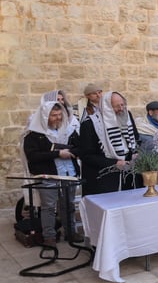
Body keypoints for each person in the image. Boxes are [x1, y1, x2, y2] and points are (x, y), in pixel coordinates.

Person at [22, 100, 80, 246]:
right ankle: (49, 237)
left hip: (68, 173)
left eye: (60, 114)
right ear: (45, 116)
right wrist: (57, 154)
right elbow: (33, 156)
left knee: (68, 205)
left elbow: (79, 147)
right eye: (54, 115)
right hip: (48, 175)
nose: (58, 118)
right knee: (48, 207)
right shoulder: (34, 135)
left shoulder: (68, 130)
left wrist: (72, 152)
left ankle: (71, 232)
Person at [76, 91, 141, 195]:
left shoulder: (127, 116)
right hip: (103, 179)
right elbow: (86, 155)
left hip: (128, 175)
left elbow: (136, 139)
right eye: (116, 106)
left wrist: (135, 153)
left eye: (122, 104)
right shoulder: (90, 124)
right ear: (106, 107)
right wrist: (114, 163)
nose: (121, 109)